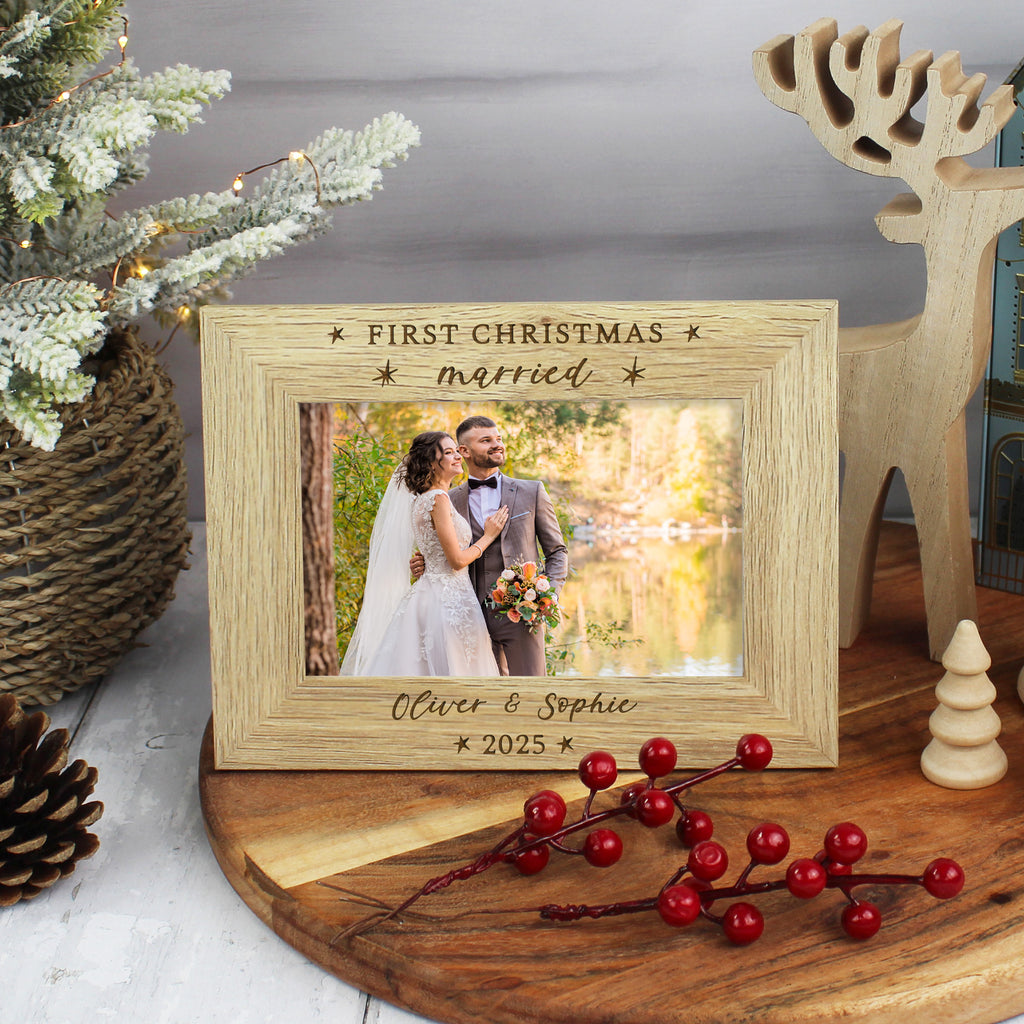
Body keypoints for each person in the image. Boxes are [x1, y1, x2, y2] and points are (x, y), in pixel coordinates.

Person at [340, 431, 507, 677]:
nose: (457, 456)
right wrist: (488, 536)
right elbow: (456, 561)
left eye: (456, 450)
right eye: (448, 452)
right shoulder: (438, 499)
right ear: (431, 462)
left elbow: (433, 551)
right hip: (447, 601)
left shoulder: (423, 500)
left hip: (432, 595)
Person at [416, 415, 569, 676]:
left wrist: (548, 596)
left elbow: (557, 551)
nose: (497, 445)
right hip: (466, 615)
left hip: (521, 615)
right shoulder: (446, 498)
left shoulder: (531, 491)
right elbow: (445, 552)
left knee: (530, 692)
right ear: (463, 451)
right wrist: (425, 564)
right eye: (486, 441)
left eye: (498, 439)